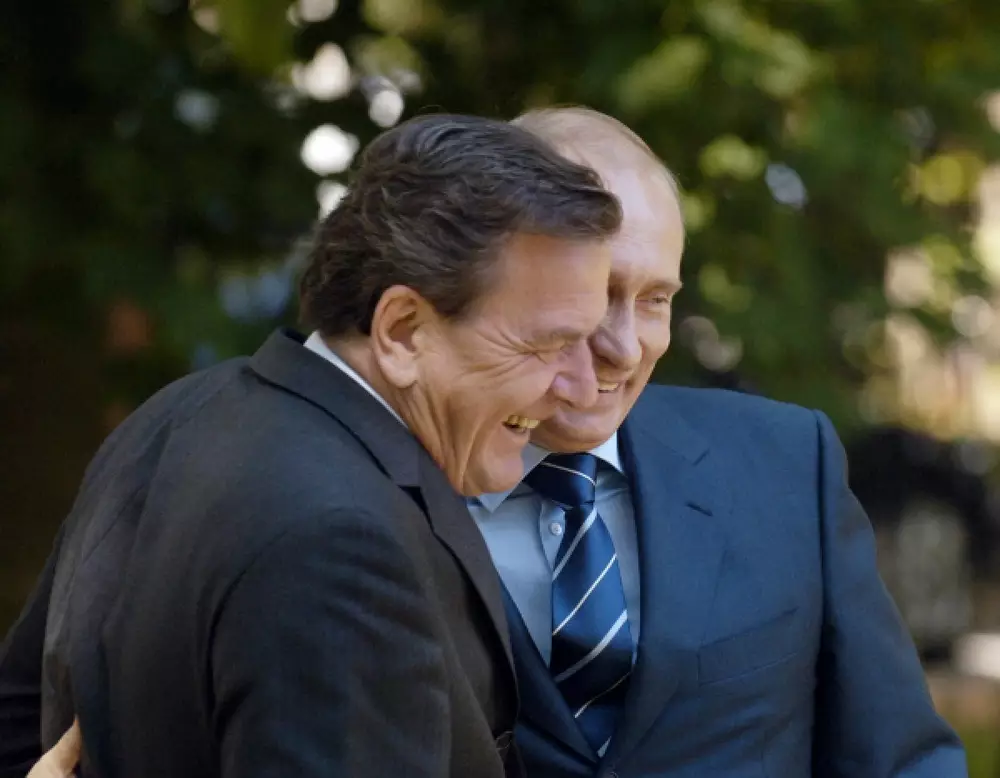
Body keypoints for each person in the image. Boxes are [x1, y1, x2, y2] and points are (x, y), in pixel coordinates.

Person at [21, 106, 970, 778]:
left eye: (656, 300)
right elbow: (34, 706)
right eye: (561, 327)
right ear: (404, 328)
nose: (605, 355)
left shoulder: (785, 463)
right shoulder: (343, 521)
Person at [0, 113, 623, 778]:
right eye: (548, 345)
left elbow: (18, 726)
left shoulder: (180, 412)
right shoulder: (345, 544)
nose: (582, 389)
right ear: (403, 330)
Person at [465, 106, 968, 777]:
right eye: (597, 293)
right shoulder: (397, 482)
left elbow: (903, 759)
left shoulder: (787, 462)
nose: (624, 347)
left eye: (655, 300)